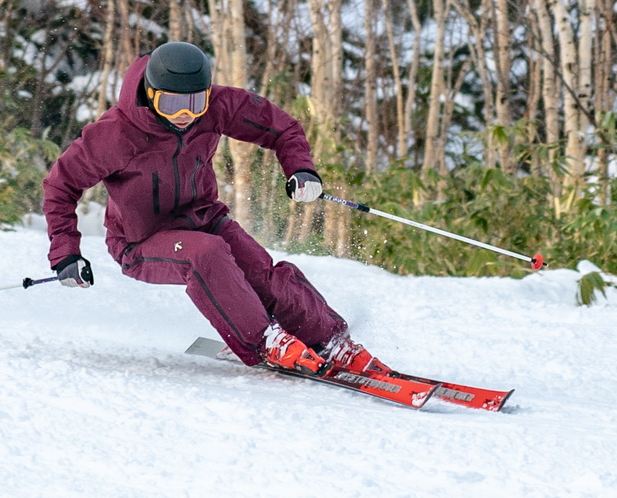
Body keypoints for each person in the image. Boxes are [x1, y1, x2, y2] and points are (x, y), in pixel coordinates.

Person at [42, 41, 390, 378]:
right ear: (150, 94)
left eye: (195, 102)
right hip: (141, 242)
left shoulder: (215, 107)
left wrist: (300, 169)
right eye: (171, 103)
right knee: (204, 253)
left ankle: (330, 341)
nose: (184, 115)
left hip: (205, 218)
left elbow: (282, 128)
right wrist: (66, 253)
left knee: (261, 273)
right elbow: (61, 186)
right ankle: (265, 341)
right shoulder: (114, 134)